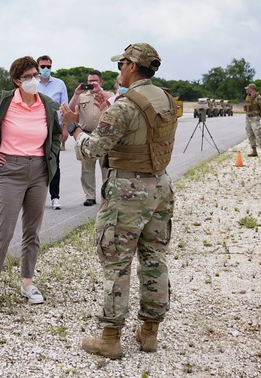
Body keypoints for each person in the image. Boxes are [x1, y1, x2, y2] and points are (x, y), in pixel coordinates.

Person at [60, 43, 177, 359]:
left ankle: (110, 339)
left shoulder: (124, 106)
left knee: (117, 263)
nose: (119, 71)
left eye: (121, 65)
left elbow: (94, 148)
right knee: (154, 258)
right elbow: (138, 133)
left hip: (128, 190)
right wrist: (107, 108)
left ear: (131, 66)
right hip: (161, 186)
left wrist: (74, 129)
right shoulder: (166, 98)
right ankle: (149, 333)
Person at [0, 56, 61, 311]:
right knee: (4, 230)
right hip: (9, 170)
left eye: (36, 74)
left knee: (32, 231)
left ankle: (27, 282)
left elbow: (55, 135)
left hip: (39, 171)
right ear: (16, 81)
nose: (34, 79)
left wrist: (50, 157)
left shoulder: (46, 104)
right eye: (28, 76)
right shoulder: (4, 102)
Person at [67, 70, 113, 206]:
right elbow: (70, 109)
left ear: (100, 82)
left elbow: (114, 101)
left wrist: (100, 91)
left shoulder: (107, 95)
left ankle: (107, 195)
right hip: (87, 134)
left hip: (103, 135)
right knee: (86, 168)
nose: (92, 83)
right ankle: (90, 196)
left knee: (106, 167)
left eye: (95, 81)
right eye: (89, 81)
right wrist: (76, 93)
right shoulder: (82, 97)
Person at [36, 55, 69, 210]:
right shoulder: (33, 84)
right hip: (36, 128)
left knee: (54, 163)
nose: (45, 69)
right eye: (42, 66)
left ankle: (55, 197)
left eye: (48, 66)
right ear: (37, 67)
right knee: (37, 163)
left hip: (54, 128)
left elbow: (65, 108)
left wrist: (65, 128)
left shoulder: (59, 84)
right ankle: (36, 197)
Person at [244, 83, 261, 158]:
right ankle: (254, 151)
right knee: (250, 134)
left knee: (258, 134)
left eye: (248, 89)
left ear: (252, 89)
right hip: (248, 117)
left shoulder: (258, 98)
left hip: (255, 118)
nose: (247, 90)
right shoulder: (248, 97)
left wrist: (259, 115)